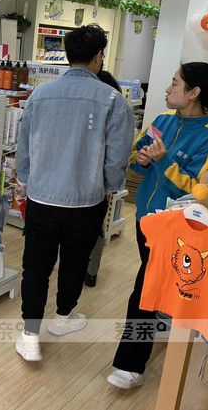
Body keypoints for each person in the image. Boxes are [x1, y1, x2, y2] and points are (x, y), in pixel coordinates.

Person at [15, 24, 135, 362]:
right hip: (87, 200)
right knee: (75, 261)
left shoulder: (39, 95)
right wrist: (110, 188)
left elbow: (24, 147)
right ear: (99, 57)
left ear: (68, 56)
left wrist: (26, 179)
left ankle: (30, 335)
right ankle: (63, 317)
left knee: (35, 266)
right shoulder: (113, 100)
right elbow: (116, 158)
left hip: (42, 197)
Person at [107, 62, 208, 389]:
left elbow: (198, 188)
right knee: (153, 283)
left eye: (175, 83)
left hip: (177, 226)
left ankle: (130, 365)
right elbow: (135, 155)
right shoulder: (162, 120)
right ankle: (158, 322)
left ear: (194, 92)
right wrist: (142, 159)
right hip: (145, 219)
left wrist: (163, 162)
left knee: (145, 289)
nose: (167, 88)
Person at [85, 70, 124, 288]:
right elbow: (117, 155)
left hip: (90, 183)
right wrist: (111, 185)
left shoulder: (90, 110)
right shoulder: (114, 110)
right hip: (99, 184)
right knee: (96, 229)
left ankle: (85, 269)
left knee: (90, 229)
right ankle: (91, 271)